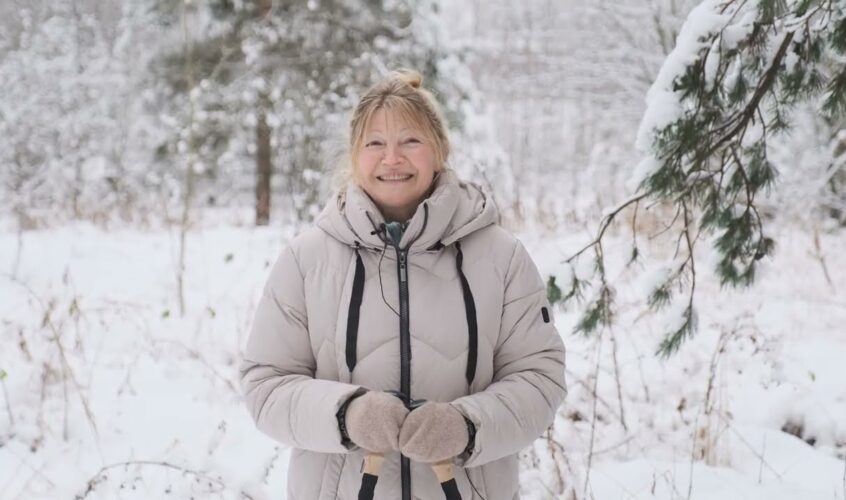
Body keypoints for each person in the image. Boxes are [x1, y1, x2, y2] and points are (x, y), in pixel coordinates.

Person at [239, 69, 567, 500]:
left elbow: (539, 378)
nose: (392, 159)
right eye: (375, 143)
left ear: (440, 149)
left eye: (410, 141)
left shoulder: (500, 257)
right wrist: (346, 415)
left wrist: (466, 427)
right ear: (355, 156)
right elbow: (266, 385)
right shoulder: (307, 260)